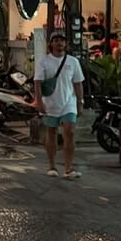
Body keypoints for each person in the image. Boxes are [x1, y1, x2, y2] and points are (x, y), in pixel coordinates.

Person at [34, 29, 86, 179]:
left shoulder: (73, 62)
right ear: (51, 44)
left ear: (66, 44)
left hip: (69, 102)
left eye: (62, 40)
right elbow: (37, 83)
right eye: (56, 40)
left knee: (69, 131)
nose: (59, 43)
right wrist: (39, 101)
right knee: (52, 132)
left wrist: (80, 103)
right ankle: (52, 166)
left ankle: (68, 168)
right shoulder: (44, 61)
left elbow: (78, 83)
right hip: (50, 103)